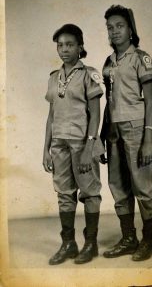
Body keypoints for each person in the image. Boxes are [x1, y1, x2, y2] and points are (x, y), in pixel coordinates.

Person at [100, 5, 152, 261]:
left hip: (137, 130)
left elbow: (151, 102)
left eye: (119, 26)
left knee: (143, 186)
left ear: (131, 29)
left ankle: (149, 241)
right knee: (118, 186)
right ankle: (128, 238)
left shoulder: (141, 58)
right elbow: (109, 102)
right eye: (110, 27)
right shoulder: (108, 62)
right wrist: (102, 138)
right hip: (113, 132)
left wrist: (148, 139)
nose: (114, 32)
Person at [43, 24, 104, 265]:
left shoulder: (89, 74)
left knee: (89, 192)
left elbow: (95, 114)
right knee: (64, 194)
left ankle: (91, 243)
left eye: (69, 44)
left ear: (80, 47)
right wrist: (45, 150)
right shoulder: (53, 78)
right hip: (59, 144)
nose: (64, 49)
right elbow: (50, 116)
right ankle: (68, 243)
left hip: (82, 144)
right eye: (60, 45)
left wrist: (90, 147)